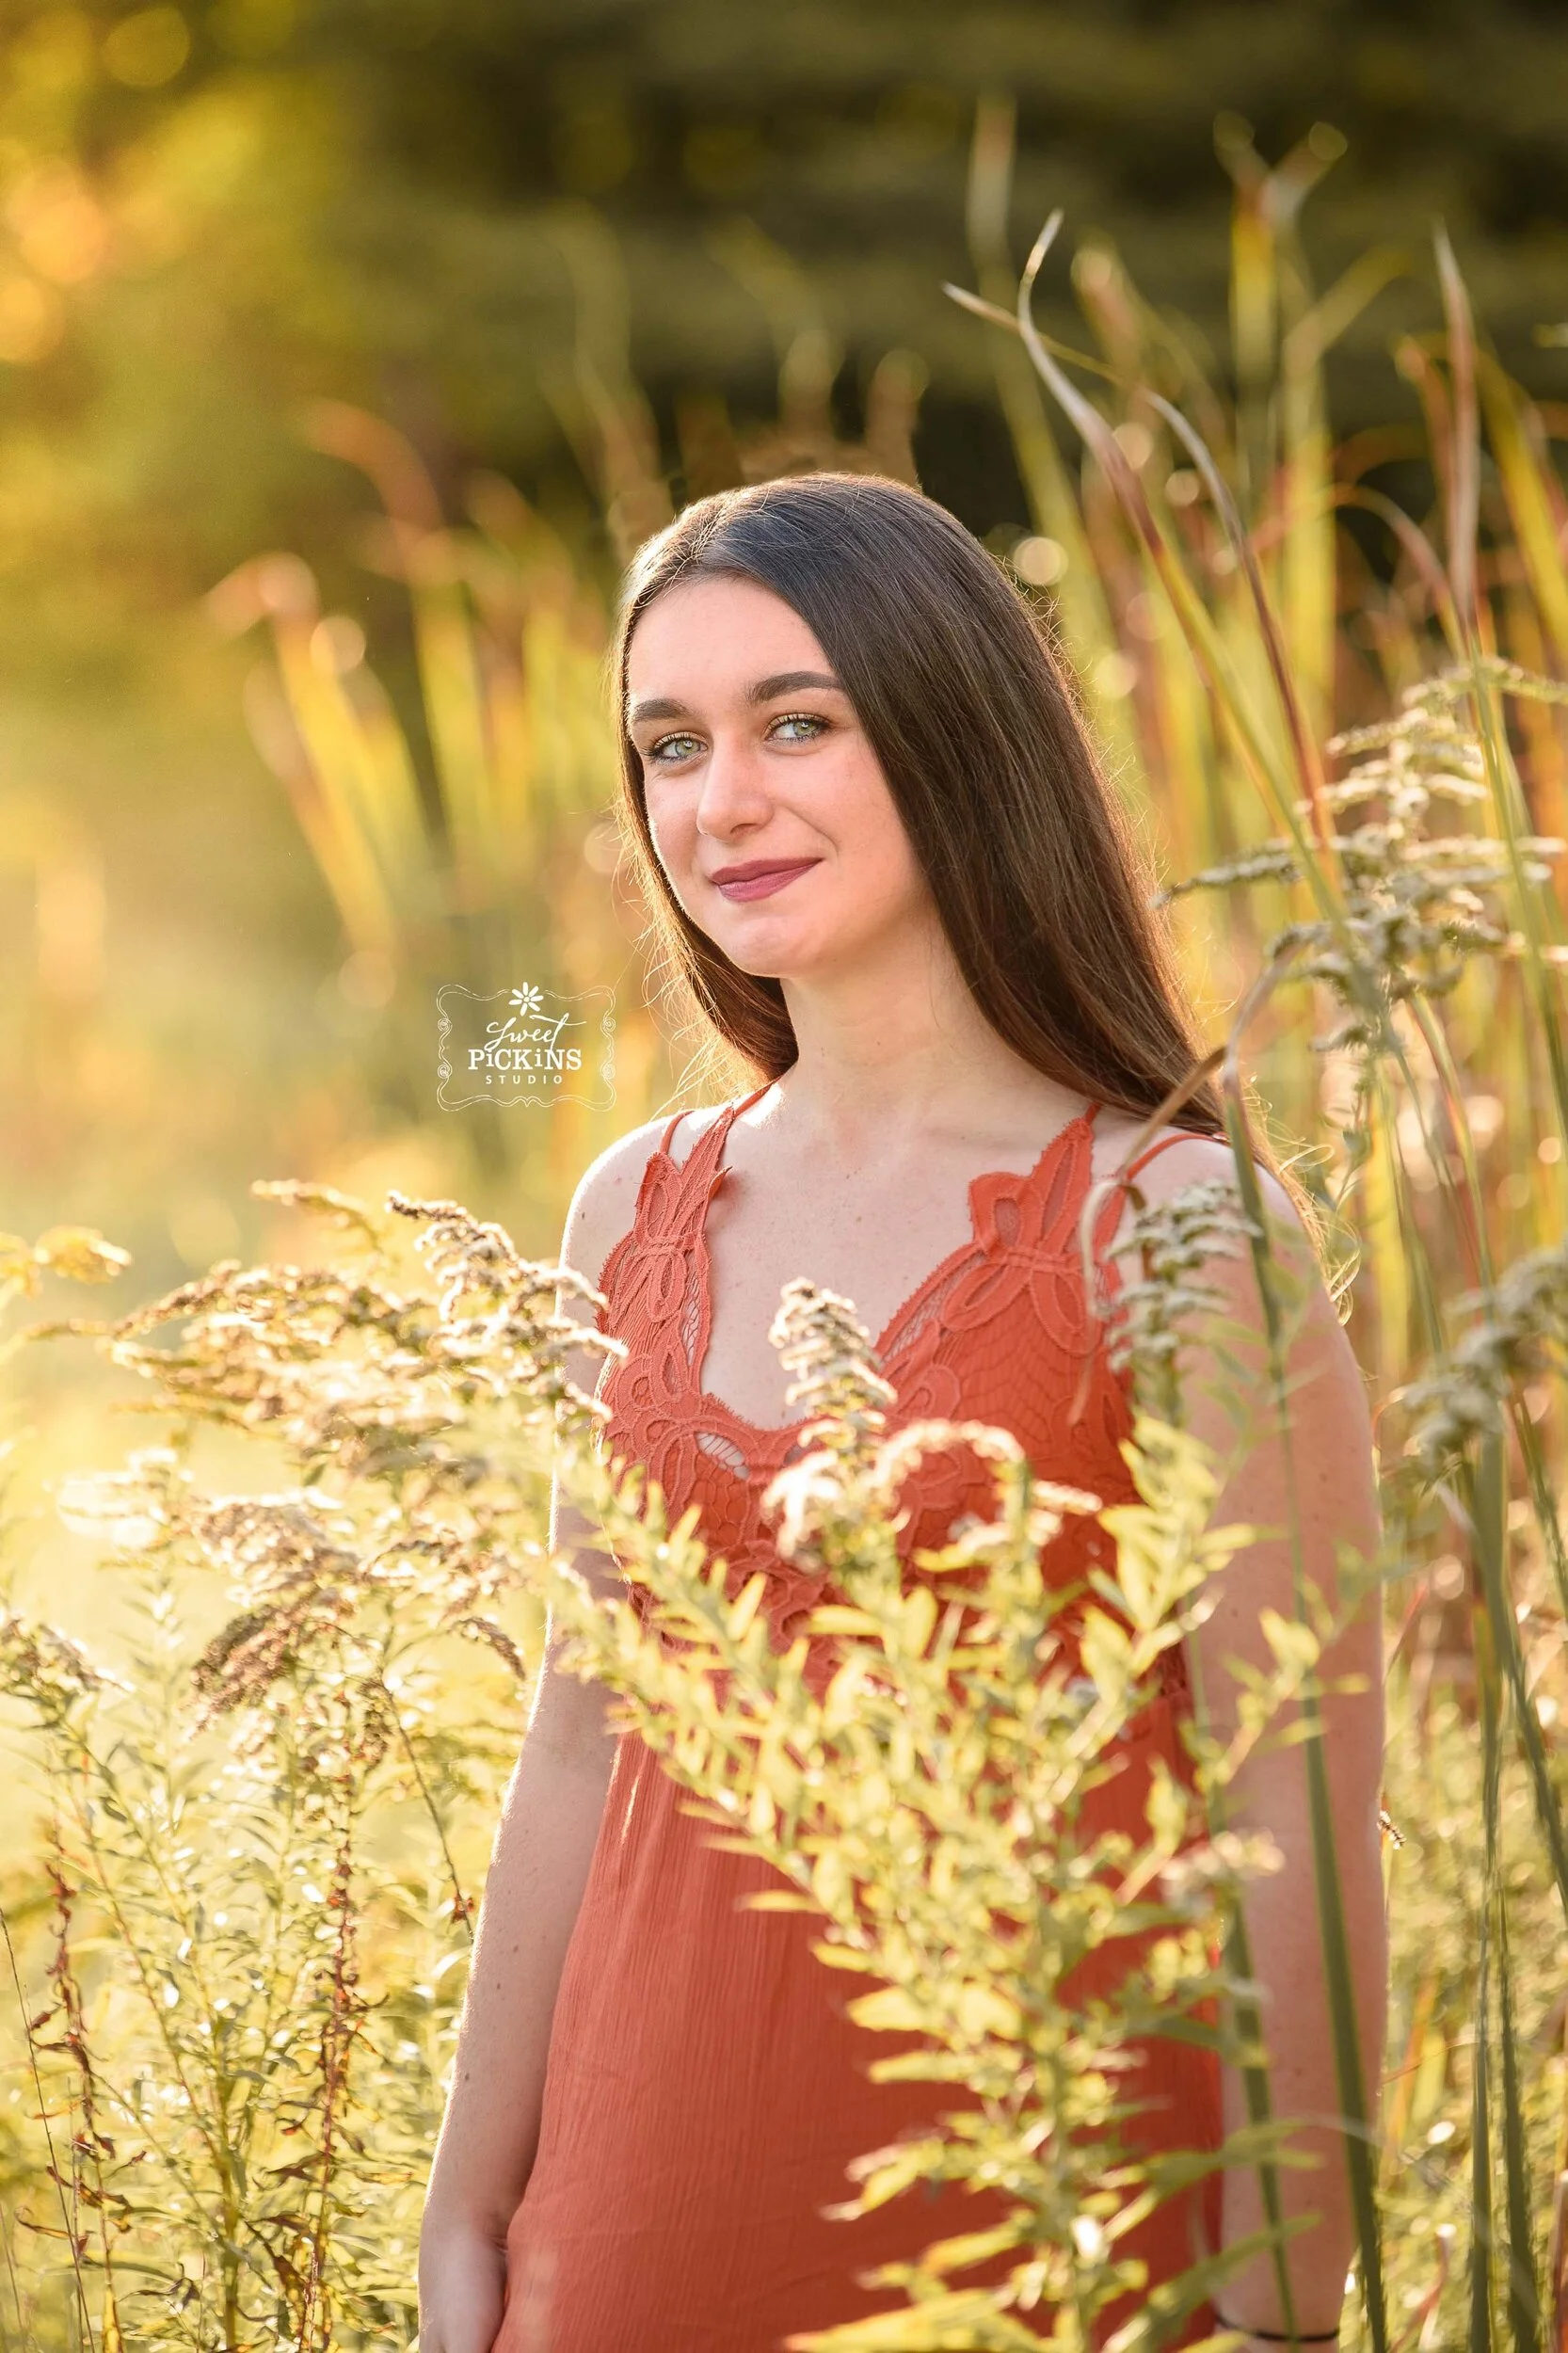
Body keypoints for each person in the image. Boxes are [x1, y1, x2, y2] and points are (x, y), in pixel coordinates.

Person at [417, 472, 1386, 2353]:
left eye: (798, 721)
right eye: (668, 744)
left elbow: (1301, 1787)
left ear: (950, 731)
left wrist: (1278, 2298)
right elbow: (573, 1738)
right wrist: (469, 2206)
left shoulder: (1177, 1229)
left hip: (1060, 2224)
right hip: (626, 2217)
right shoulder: (631, 1209)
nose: (720, 798)